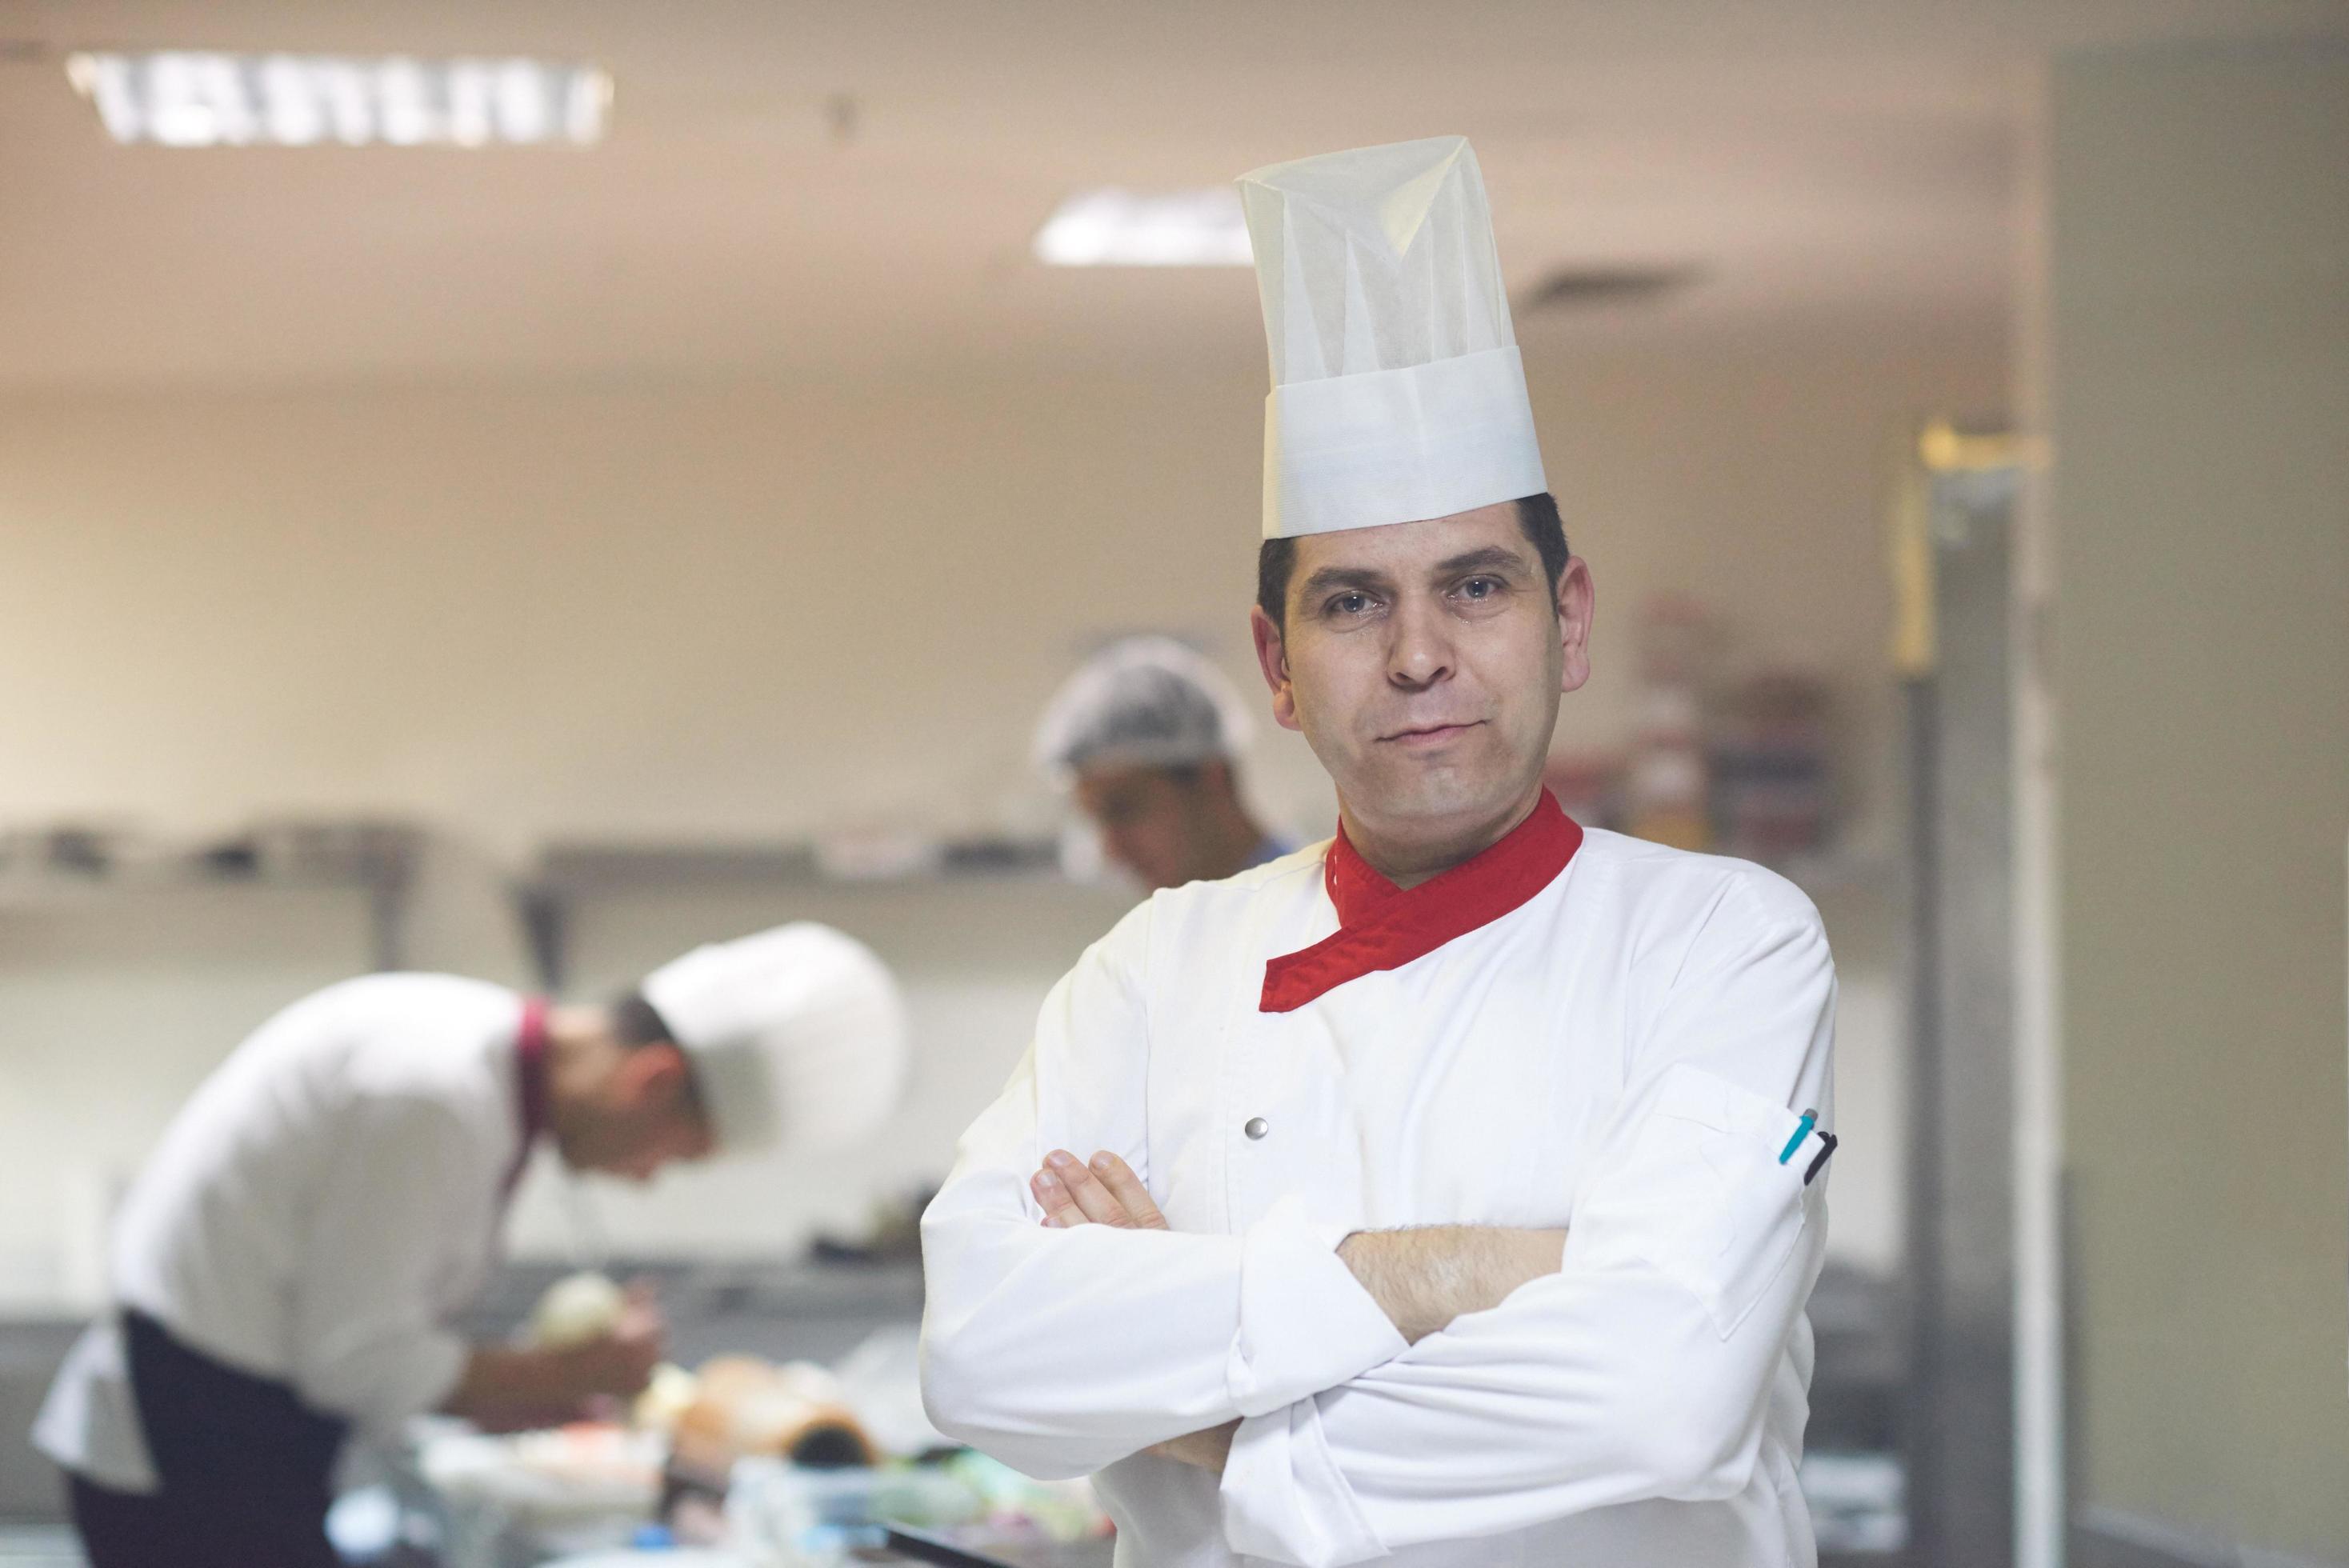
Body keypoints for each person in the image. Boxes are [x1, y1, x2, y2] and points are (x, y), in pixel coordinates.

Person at [921, 136, 1837, 1566]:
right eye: (1352, 603)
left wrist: (1196, 1391)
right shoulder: (1158, 971)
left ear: (1568, 620)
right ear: (1276, 666)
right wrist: (1460, 1270)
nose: (1419, 656)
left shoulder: (1723, 942)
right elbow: (982, 1353)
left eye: (1475, 587)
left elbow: (1657, 1404)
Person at [36, 922, 907, 1568]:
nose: (646, 1178)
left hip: (227, 1439)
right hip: (186, 1461)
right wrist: (566, 1375)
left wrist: (542, 1385)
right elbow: (358, 1360)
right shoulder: (435, 1095)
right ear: (653, 1080)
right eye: (674, 1152)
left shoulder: (466, 1055)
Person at [1034, 636, 1292, 890]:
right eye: (1098, 822)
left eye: (1123, 809)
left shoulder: (1314, 912)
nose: (1113, 851)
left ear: (1213, 778)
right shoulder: (1187, 923)